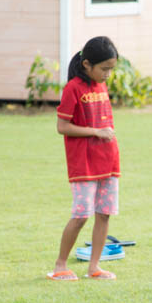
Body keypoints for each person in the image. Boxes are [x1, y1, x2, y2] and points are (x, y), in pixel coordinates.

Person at [49, 36, 121, 281]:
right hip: (84, 164)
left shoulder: (101, 85)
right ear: (87, 64)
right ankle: (60, 265)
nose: (108, 74)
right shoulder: (73, 89)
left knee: (104, 213)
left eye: (111, 69)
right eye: (104, 69)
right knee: (81, 215)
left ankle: (94, 267)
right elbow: (62, 126)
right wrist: (95, 132)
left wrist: (104, 136)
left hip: (108, 160)